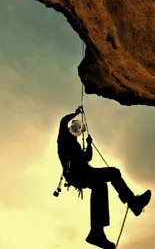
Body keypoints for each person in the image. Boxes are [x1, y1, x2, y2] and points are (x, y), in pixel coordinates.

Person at [57, 106, 151, 249]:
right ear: (71, 127)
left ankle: (97, 233)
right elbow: (63, 120)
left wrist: (88, 144)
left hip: (83, 173)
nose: (76, 128)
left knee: (100, 186)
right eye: (74, 126)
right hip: (77, 174)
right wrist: (75, 113)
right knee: (113, 172)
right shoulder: (63, 138)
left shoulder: (75, 144)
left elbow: (87, 157)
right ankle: (134, 203)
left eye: (78, 127)